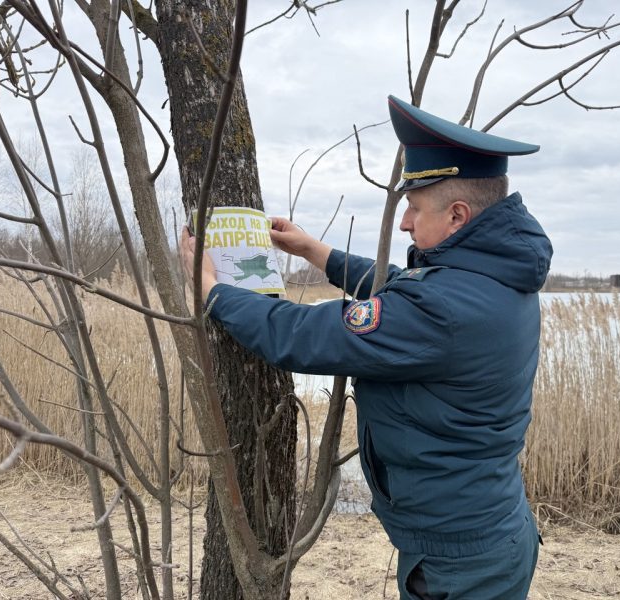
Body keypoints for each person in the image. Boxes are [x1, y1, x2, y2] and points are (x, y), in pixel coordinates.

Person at [181, 95, 553, 599]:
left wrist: (215, 292)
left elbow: (306, 335)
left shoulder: (445, 307)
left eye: (415, 208)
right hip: (480, 533)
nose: (403, 223)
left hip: (460, 563)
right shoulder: (495, 277)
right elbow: (402, 286)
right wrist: (319, 253)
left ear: (457, 216)